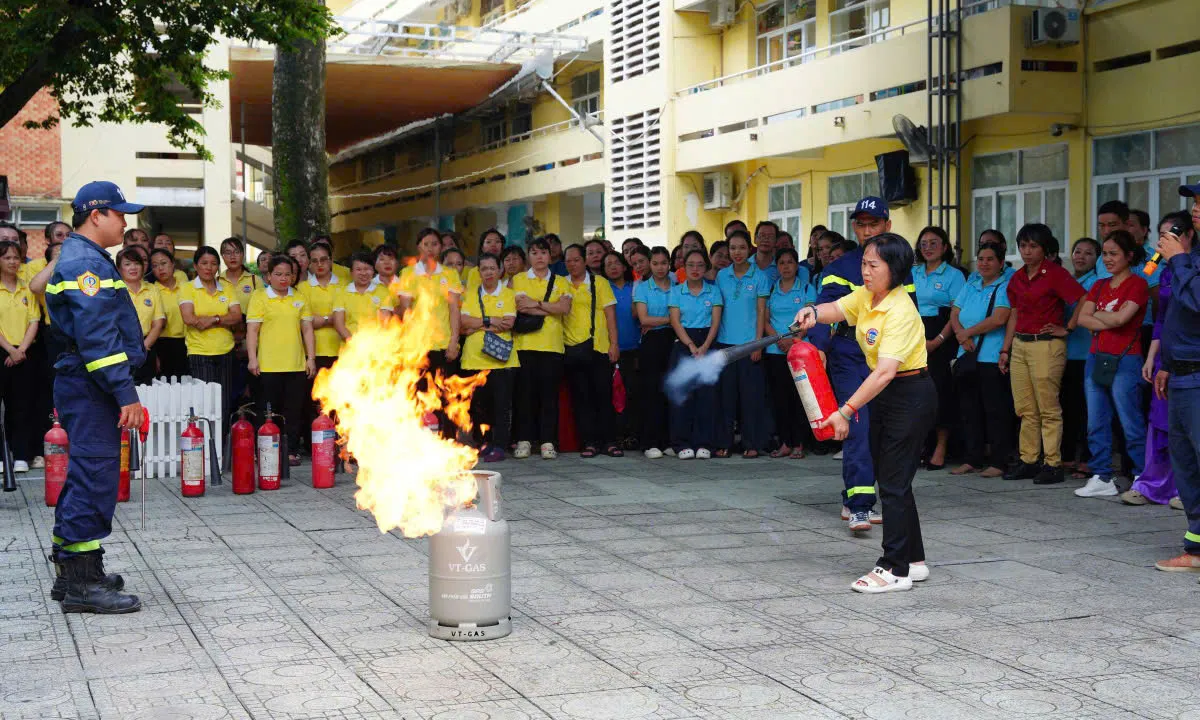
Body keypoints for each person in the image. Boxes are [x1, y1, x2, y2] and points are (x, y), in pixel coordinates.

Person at [794, 232, 935, 593]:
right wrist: (812, 312)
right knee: (895, 479)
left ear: (895, 268)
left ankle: (893, 569)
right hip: (889, 395)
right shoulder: (869, 297)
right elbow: (836, 309)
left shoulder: (900, 310)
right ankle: (913, 561)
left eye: (873, 265)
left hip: (909, 394)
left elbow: (886, 371)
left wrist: (845, 410)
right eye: (864, 264)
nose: (865, 271)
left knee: (891, 482)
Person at [43, 180, 147, 613]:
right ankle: (84, 585)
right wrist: (126, 394)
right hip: (92, 386)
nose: (125, 221)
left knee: (87, 473)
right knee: (96, 475)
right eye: (119, 213)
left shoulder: (87, 259)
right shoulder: (86, 264)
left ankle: (74, 571)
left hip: (85, 384)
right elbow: (98, 339)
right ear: (96, 215)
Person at [808, 198, 895, 532]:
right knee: (856, 426)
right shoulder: (842, 268)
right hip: (850, 354)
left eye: (874, 224)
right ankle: (859, 505)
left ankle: (860, 494)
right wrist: (819, 347)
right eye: (861, 224)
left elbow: (912, 315)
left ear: (887, 225)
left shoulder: (901, 267)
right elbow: (823, 309)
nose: (868, 230)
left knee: (881, 431)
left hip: (889, 357)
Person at [1000, 223, 1085, 485]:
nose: (1026, 251)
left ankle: (1052, 463)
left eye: (1033, 246)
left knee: (1048, 408)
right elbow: (1014, 313)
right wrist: (1006, 348)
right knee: (1025, 408)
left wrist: (1068, 328)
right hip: (1021, 345)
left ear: (1045, 249)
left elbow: (1083, 299)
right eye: (1023, 246)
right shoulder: (1017, 277)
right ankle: (1028, 460)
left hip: (1046, 344)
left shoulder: (1055, 274)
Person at [1071, 230, 1149, 498]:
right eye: (1105, 253)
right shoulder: (1099, 285)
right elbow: (1083, 318)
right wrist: (1110, 317)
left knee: (1131, 421)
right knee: (1096, 420)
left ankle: (1142, 475)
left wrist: (1102, 318)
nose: (1108, 259)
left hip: (1126, 358)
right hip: (1096, 356)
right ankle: (1101, 475)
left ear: (1129, 255)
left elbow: (1121, 320)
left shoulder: (1137, 284)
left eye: (1114, 253)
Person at [1151, 183, 1200, 573]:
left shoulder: (1187, 258)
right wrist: (1167, 361)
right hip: (1182, 375)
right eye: (1195, 203)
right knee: (1186, 466)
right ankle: (1196, 547)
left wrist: (1180, 260)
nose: (1195, 210)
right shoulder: (1192, 254)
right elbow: (1179, 315)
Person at [1128, 213, 1192, 508]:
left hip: (1192, 359)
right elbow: (1163, 319)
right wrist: (1153, 358)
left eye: (1171, 235)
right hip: (1169, 356)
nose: (1162, 242)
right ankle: (1153, 483)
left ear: (1188, 236)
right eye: (1161, 235)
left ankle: (1186, 489)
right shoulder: (1165, 272)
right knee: (1161, 420)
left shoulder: (1192, 268)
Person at [950, 243, 1013, 477]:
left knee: (994, 410)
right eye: (981, 259)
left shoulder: (1004, 285)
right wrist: (959, 333)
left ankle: (998, 461)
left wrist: (968, 332)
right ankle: (972, 458)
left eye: (990, 259)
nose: (984, 263)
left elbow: (1000, 318)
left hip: (991, 356)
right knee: (969, 410)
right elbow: (954, 312)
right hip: (966, 354)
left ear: (1000, 262)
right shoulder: (971, 282)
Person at [246, 255, 316, 466]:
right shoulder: (260, 297)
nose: (283, 278)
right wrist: (252, 358)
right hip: (268, 365)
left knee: (293, 410)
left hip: (295, 364)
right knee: (267, 410)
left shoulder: (299, 297)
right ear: (268, 276)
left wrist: (310, 358)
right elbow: (252, 330)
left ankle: (291, 451)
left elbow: (307, 329)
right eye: (278, 274)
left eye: (288, 274)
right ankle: (266, 449)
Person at [397, 228, 464, 439]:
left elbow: (454, 311)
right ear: (419, 247)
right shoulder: (408, 274)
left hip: (444, 344)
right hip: (417, 348)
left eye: (435, 244)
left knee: (448, 397)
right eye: (426, 244)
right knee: (420, 397)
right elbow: (405, 312)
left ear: (441, 247)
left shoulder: (449, 274)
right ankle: (422, 442)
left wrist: (454, 341)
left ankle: (450, 442)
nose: (430, 248)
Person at [713, 230, 773, 458]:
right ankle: (724, 443)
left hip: (750, 345)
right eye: (733, 248)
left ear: (750, 249)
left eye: (742, 248)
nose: (737, 252)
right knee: (725, 398)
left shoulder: (760, 277)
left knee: (751, 398)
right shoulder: (722, 276)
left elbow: (761, 312)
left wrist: (758, 344)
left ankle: (752, 443)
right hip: (725, 344)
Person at [511, 238, 572, 459]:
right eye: (534, 253)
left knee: (549, 396)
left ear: (550, 256)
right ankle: (524, 440)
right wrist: (550, 307)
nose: (539, 257)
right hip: (525, 345)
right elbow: (519, 307)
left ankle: (548, 442)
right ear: (529, 256)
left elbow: (564, 308)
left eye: (543, 253)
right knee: (524, 396)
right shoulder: (518, 279)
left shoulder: (562, 281)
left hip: (553, 346)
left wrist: (535, 304)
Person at [911, 226, 965, 470]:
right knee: (914, 394)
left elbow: (956, 313)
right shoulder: (911, 272)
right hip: (912, 336)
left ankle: (941, 447)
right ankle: (920, 444)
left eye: (934, 243)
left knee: (940, 392)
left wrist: (937, 340)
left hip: (941, 336)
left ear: (945, 247)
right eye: (924, 243)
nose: (928, 248)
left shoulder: (954, 275)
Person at [563, 245, 621, 458]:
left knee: (604, 396)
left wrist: (614, 344)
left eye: (576, 260)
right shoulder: (561, 284)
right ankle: (589, 442)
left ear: (584, 261)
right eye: (568, 261)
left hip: (599, 347)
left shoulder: (599, 283)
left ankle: (610, 441)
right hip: (572, 348)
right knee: (581, 398)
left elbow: (610, 315)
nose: (572, 264)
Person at [460, 253, 519, 463]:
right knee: (478, 405)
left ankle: (500, 445)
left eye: (492, 268)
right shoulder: (471, 294)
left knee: (501, 405)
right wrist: (491, 320)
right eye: (484, 268)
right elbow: (463, 322)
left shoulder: (508, 294)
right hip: (474, 358)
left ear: (499, 269)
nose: (488, 272)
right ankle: (483, 443)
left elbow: (509, 323)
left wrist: (479, 324)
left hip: (502, 360)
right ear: (479, 272)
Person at [179, 246, 242, 436]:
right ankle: (204, 443)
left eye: (214, 264)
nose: (209, 268)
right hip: (200, 352)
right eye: (204, 263)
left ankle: (221, 447)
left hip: (226, 351)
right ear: (196, 266)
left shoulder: (227, 288)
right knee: (204, 402)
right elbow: (189, 319)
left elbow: (237, 316)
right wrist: (222, 319)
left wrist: (213, 319)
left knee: (224, 402)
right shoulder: (188, 288)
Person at [668, 249, 722, 459]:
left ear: (706, 267)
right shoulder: (676, 291)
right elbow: (675, 321)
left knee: (707, 396)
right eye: (691, 265)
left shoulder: (714, 291)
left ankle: (705, 443)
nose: (695, 269)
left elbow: (716, 322)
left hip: (708, 342)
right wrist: (690, 345)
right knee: (684, 395)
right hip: (684, 343)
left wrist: (706, 346)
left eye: (700, 265)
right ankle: (682, 444)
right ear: (684, 267)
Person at [765, 247, 814, 459]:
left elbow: (810, 318)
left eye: (790, 262)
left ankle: (799, 443)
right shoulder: (772, 290)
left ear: (797, 265)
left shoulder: (806, 289)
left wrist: (793, 340)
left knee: (799, 398)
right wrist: (779, 339)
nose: (786, 266)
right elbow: (765, 320)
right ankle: (784, 442)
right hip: (775, 351)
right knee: (780, 399)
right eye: (782, 263)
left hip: (799, 350)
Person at [1061, 238, 1102, 477]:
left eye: (1088, 253)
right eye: (1077, 251)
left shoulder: (1096, 282)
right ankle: (1066, 457)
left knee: (1088, 410)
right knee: (1068, 408)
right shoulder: (1067, 280)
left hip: (1087, 353)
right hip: (1065, 353)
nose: (1081, 256)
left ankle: (1087, 460)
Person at [0, 240, 40, 472]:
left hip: (24, 352)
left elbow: (34, 320)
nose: (13, 262)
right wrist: (10, 350)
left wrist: (21, 350)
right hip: (4, 351)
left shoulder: (27, 288)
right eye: (7, 258)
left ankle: (22, 455)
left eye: (16, 257)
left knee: (22, 406)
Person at [634, 246, 675, 458]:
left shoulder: (677, 284)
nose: (660, 267)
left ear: (670, 264)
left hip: (673, 341)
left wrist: (668, 322)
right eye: (656, 263)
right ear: (650, 264)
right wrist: (671, 320)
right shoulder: (643, 288)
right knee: (651, 391)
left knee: (670, 390)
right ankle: (650, 442)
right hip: (651, 342)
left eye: (664, 263)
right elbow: (644, 320)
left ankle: (667, 440)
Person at [300, 243, 343, 438]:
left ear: (331, 261)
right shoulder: (302, 288)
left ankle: (341, 442)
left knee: (340, 398)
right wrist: (331, 319)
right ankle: (315, 443)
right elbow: (307, 320)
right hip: (313, 351)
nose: (320, 264)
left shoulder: (343, 286)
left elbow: (343, 319)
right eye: (315, 261)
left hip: (341, 351)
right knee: (315, 400)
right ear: (309, 264)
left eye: (324, 259)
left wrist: (321, 319)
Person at [115, 249, 164, 385]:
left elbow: (158, 323)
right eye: (127, 264)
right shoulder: (114, 290)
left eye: (137, 263)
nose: (133, 267)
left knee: (147, 391)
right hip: (120, 348)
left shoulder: (152, 289)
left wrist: (143, 347)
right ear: (119, 269)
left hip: (146, 347)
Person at [334, 251, 394, 339]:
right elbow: (339, 325)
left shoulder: (383, 292)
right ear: (351, 272)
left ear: (373, 271)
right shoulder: (341, 293)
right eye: (358, 269)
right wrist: (354, 343)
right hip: (349, 346)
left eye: (367, 269)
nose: (363, 273)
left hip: (377, 345)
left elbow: (385, 322)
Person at [148, 249, 188, 379]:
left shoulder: (187, 287)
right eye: (155, 266)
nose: (160, 268)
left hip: (188, 343)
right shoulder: (151, 291)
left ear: (172, 264)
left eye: (163, 263)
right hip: (161, 345)